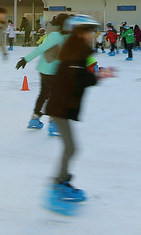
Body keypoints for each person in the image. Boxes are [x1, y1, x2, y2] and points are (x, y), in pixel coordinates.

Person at [44, 15, 112, 213]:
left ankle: (61, 182)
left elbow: (80, 77)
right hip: (60, 107)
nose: (94, 35)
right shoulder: (75, 53)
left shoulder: (78, 52)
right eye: (91, 32)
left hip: (63, 106)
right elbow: (78, 80)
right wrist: (99, 75)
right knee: (71, 148)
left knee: (71, 148)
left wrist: (97, 74)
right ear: (80, 33)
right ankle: (56, 187)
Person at [17, 14, 70, 131]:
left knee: (45, 94)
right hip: (50, 71)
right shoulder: (55, 36)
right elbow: (41, 48)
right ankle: (53, 123)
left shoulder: (64, 35)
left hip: (46, 70)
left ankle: (34, 119)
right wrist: (26, 59)